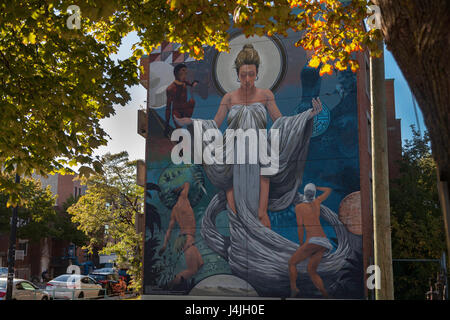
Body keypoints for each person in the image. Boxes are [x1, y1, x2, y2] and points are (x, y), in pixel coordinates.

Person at [173, 44, 343, 296]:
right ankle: (242, 255)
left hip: (258, 150)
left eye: (251, 74)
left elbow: (282, 121)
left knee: (261, 210)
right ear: (237, 74)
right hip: (233, 151)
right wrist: (191, 123)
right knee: (235, 210)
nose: (247, 79)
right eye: (243, 75)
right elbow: (214, 124)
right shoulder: (228, 98)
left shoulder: (265, 95)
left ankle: (266, 255)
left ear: (257, 73)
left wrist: (308, 115)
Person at [289, 183, 333, 298]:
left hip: (313, 241)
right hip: (324, 241)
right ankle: (325, 294)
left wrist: (301, 244)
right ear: (313, 194)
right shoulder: (317, 202)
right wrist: (317, 187)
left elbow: (300, 227)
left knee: (292, 263)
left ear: (304, 193)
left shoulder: (299, 207)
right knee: (311, 270)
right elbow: (328, 189)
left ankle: (294, 289)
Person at [159, 182, 204, 288]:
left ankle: (183, 284)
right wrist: (178, 188)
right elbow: (187, 184)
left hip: (185, 238)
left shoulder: (174, 210)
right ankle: (170, 285)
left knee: (200, 263)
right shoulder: (183, 199)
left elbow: (169, 230)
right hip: (187, 238)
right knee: (192, 269)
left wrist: (164, 245)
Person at [165, 63, 199, 135]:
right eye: (183, 70)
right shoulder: (171, 88)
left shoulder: (184, 82)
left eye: (186, 71)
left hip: (185, 108)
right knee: (179, 132)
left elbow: (190, 84)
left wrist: (194, 83)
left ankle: (187, 122)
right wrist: (167, 124)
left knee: (192, 101)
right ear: (176, 73)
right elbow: (168, 107)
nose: (185, 73)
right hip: (177, 111)